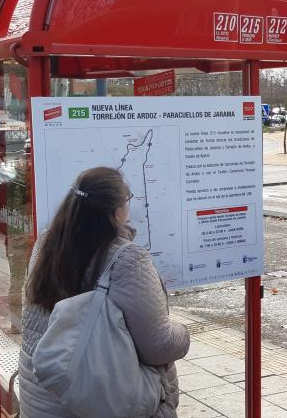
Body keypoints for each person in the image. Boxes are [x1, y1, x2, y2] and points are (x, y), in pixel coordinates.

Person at [19, 167, 190, 418]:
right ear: (116, 210)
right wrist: (184, 334)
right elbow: (159, 345)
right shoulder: (126, 259)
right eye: (127, 200)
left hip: (42, 398)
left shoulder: (46, 243)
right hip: (102, 397)